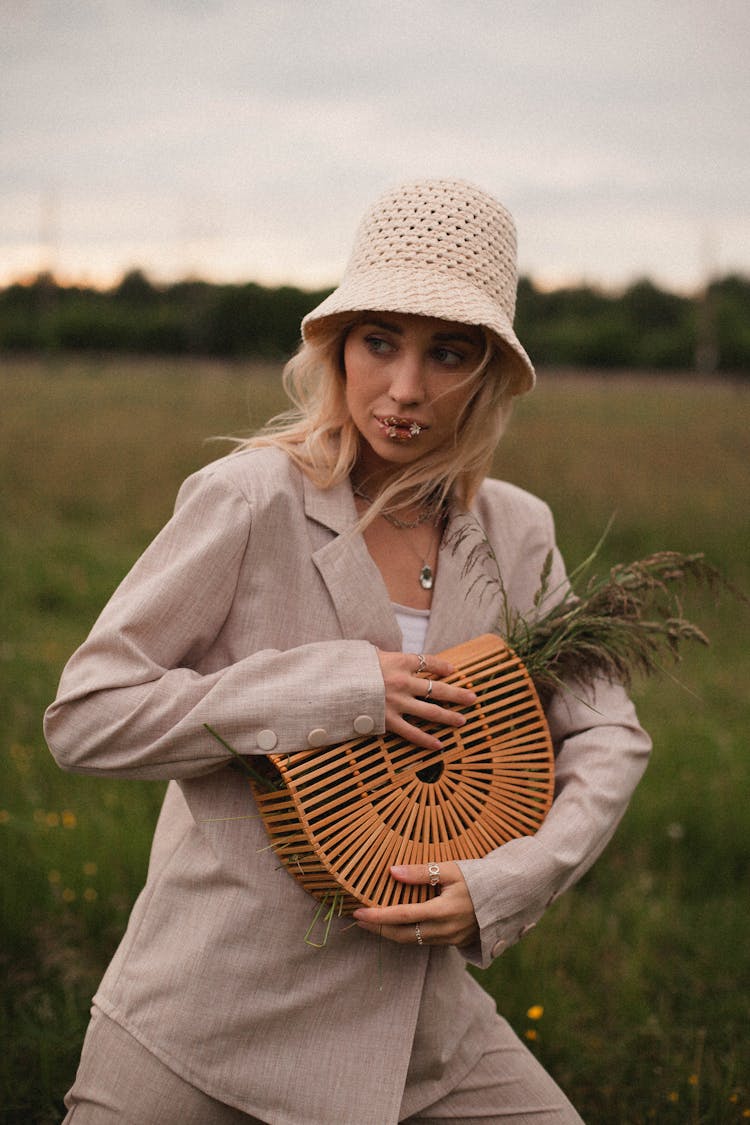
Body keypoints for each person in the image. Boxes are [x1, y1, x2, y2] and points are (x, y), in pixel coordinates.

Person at [45, 178, 651, 1124]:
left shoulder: (516, 529)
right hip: (210, 1018)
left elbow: (609, 732)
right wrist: (331, 687)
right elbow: (87, 714)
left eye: (447, 353)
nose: (405, 390)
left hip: (422, 1035)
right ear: (336, 346)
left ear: (488, 372)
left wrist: (505, 884)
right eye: (380, 343)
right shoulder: (250, 498)